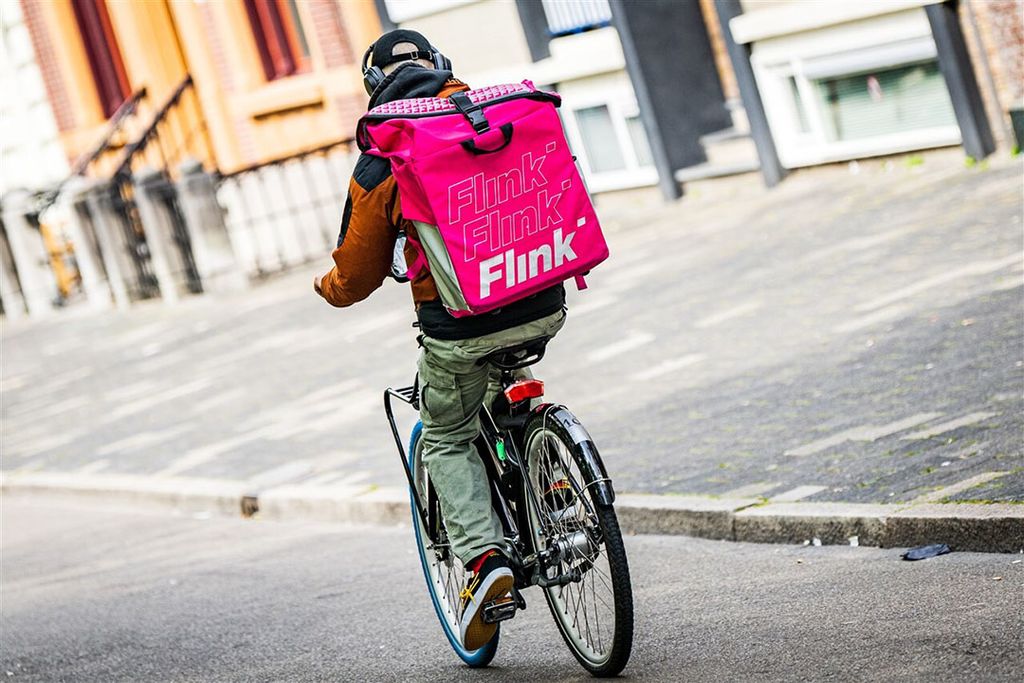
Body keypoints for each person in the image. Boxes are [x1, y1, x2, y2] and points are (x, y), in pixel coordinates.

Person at [313, 29, 566, 650]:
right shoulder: (493, 117)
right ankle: (555, 481)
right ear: (442, 66)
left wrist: (328, 287)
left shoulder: (387, 154)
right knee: (508, 381)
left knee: (447, 434)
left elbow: (359, 272)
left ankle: (484, 565)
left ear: (374, 88)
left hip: (460, 325)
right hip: (543, 298)